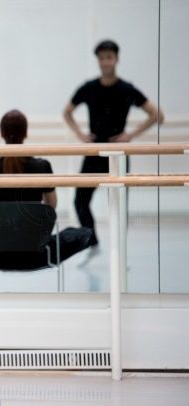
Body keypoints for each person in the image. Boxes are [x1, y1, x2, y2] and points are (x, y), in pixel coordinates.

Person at [63, 39, 164, 260]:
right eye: (101, 58)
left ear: (116, 59)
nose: (105, 62)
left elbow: (157, 115)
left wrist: (131, 135)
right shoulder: (89, 88)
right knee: (80, 201)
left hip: (118, 152)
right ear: (98, 60)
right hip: (94, 151)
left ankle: (120, 254)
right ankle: (93, 244)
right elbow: (67, 111)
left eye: (109, 57)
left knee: (118, 206)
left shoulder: (126, 89)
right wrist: (81, 135)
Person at [0, 109, 93, 270]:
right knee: (82, 233)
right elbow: (52, 205)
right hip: (38, 253)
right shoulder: (42, 167)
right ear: (25, 133)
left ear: (1, 133)